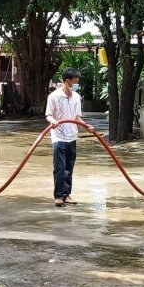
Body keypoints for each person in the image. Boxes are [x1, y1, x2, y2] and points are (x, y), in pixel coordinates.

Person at [46, 68, 94, 207]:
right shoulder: (53, 96)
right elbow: (48, 114)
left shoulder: (76, 97)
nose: (77, 84)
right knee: (60, 167)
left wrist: (86, 126)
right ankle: (58, 196)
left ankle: (67, 195)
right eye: (75, 82)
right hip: (59, 136)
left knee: (69, 167)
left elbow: (77, 117)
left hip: (72, 136)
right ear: (67, 81)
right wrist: (53, 121)